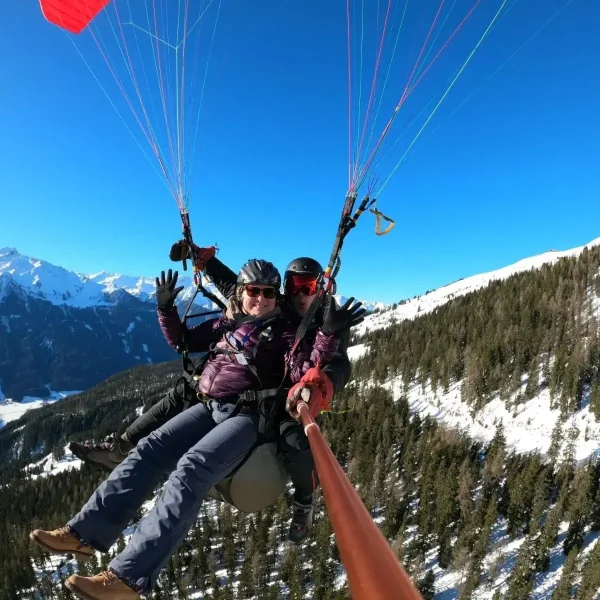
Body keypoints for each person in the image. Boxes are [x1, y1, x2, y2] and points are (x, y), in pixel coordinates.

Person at [30, 259, 346, 599]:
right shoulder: (231, 321)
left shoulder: (287, 331)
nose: (261, 298)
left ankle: (127, 579)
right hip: (210, 405)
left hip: (249, 416)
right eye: (254, 291)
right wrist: (165, 308)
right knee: (148, 449)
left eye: (268, 292)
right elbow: (184, 340)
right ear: (241, 293)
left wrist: (327, 334)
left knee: (191, 470)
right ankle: (83, 534)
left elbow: (306, 368)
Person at [70, 246, 363, 543]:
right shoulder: (276, 303)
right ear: (285, 287)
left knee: (296, 440)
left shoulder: (330, 319)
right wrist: (204, 260)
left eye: (308, 286)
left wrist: (319, 383)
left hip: (292, 396)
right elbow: (234, 286)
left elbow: (337, 364)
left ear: (321, 288)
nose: (300, 293)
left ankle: (303, 502)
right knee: (182, 392)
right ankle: (122, 446)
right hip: (247, 384)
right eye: (294, 285)